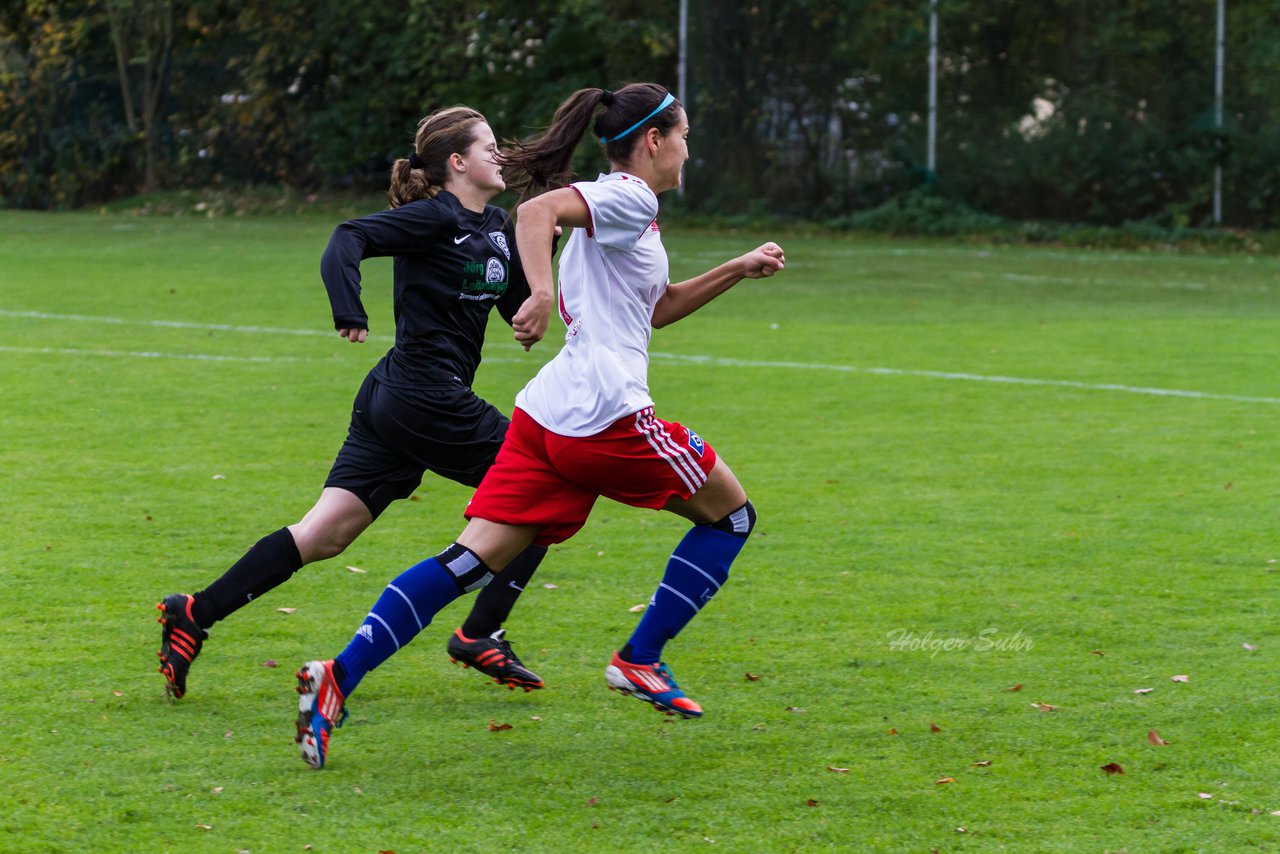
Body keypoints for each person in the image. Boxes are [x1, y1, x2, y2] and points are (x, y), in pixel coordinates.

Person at [293, 82, 786, 769]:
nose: (687, 150)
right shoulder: (627, 196)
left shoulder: (615, 210)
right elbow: (532, 212)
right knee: (731, 518)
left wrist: (737, 268)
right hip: (608, 416)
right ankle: (640, 658)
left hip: (547, 415)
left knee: (467, 560)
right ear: (653, 140)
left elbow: (656, 308)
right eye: (684, 136)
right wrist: (543, 294)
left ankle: (336, 678)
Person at [155, 106, 554, 702]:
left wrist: (531, 310)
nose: (499, 155)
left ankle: (195, 611)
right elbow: (349, 236)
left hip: (399, 399)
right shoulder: (433, 218)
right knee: (542, 483)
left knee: (325, 535)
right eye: (489, 146)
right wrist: (350, 308)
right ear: (457, 161)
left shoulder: (496, 225)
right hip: (423, 393)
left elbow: (514, 300)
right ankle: (480, 631)